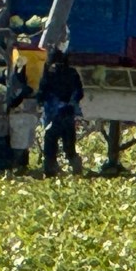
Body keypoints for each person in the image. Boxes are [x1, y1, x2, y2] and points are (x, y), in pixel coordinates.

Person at [36, 48, 84, 176]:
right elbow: (79, 93)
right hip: (68, 113)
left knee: (50, 146)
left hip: (53, 115)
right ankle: (77, 171)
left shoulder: (49, 74)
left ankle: (50, 171)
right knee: (69, 146)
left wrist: (40, 102)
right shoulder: (72, 73)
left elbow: (41, 93)